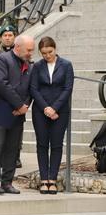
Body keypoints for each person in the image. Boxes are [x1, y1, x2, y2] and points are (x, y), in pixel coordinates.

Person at [0, 34, 35, 195]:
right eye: (28, 50)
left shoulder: (29, 65)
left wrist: (25, 106)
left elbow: (31, 89)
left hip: (18, 114)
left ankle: (7, 182)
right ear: (18, 47)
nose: (30, 53)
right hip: (0, 110)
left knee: (13, 148)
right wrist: (19, 104)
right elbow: (1, 84)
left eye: (32, 50)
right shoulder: (2, 60)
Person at [30, 37, 74, 195]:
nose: (47, 55)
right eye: (44, 53)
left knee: (56, 145)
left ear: (55, 49)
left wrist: (54, 108)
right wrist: (46, 108)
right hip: (40, 110)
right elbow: (33, 89)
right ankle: (44, 179)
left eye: (50, 52)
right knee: (42, 144)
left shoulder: (66, 65)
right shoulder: (37, 66)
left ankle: (53, 179)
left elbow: (68, 88)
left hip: (60, 111)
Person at [0, 23, 22, 168]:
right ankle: (2, 157)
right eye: (5, 35)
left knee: (16, 132)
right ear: (1, 38)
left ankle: (16, 156)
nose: (8, 38)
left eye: (10, 35)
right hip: (1, 100)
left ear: (15, 37)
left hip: (16, 99)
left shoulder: (20, 54)